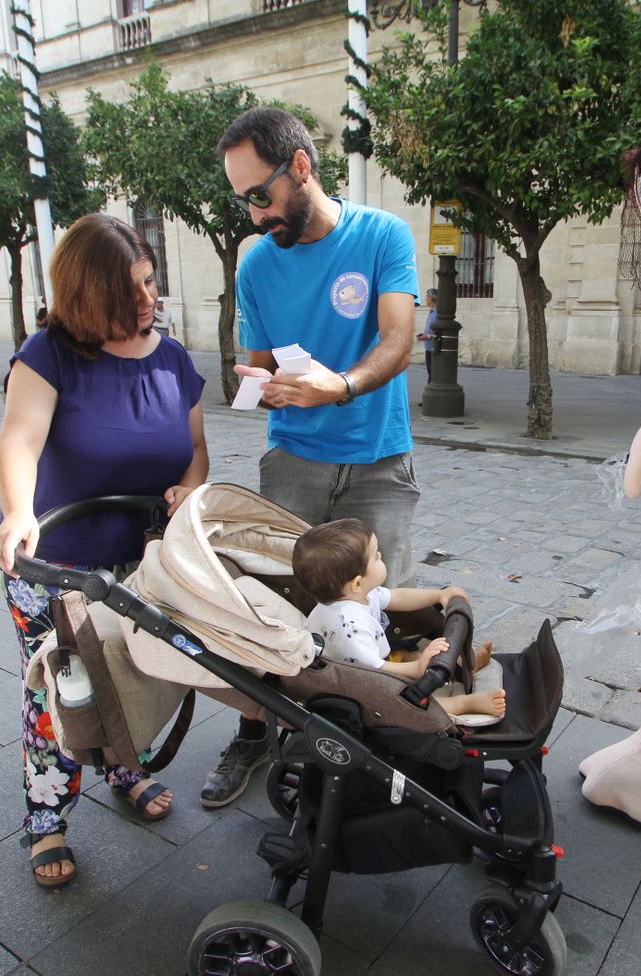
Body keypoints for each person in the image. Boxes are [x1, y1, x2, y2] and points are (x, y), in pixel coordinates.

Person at [206, 106, 421, 807]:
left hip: (377, 463)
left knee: (374, 610)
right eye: (242, 201)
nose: (254, 215)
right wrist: (263, 387)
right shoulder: (257, 265)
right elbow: (258, 363)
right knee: (271, 609)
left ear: (300, 167)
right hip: (291, 465)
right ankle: (255, 735)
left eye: (259, 196)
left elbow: (397, 339)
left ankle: (385, 746)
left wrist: (344, 384)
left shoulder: (381, 235)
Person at [0, 213, 209, 888]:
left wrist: (188, 490)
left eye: (149, 282)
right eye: (129, 292)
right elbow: (19, 441)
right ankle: (47, 819)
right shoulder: (49, 355)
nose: (147, 301)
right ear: (88, 297)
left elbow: (196, 451)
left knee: (134, 672)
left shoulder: (171, 357)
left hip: (141, 563)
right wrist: (18, 512)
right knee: (65, 693)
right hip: (60, 564)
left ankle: (124, 766)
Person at [293, 518, 504, 722]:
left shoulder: (358, 594)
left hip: (372, 662)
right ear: (357, 583)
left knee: (412, 652)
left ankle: (464, 665)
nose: (380, 555)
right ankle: (465, 704)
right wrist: (416, 669)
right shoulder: (350, 628)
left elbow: (398, 597)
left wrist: (439, 595)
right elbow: (374, 671)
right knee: (411, 702)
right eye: (375, 557)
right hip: (358, 684)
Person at [417, 288, 438, 387]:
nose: (426, 299)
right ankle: (430, 394)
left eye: (427, 297)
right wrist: (424, 334)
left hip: (434, 348)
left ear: (433, 298)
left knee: (434, 374)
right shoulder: (431, 312)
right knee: (431, 372)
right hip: (429, 348)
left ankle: (431, 396)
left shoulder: (437, 314)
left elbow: (439, 332)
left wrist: (428, 336)